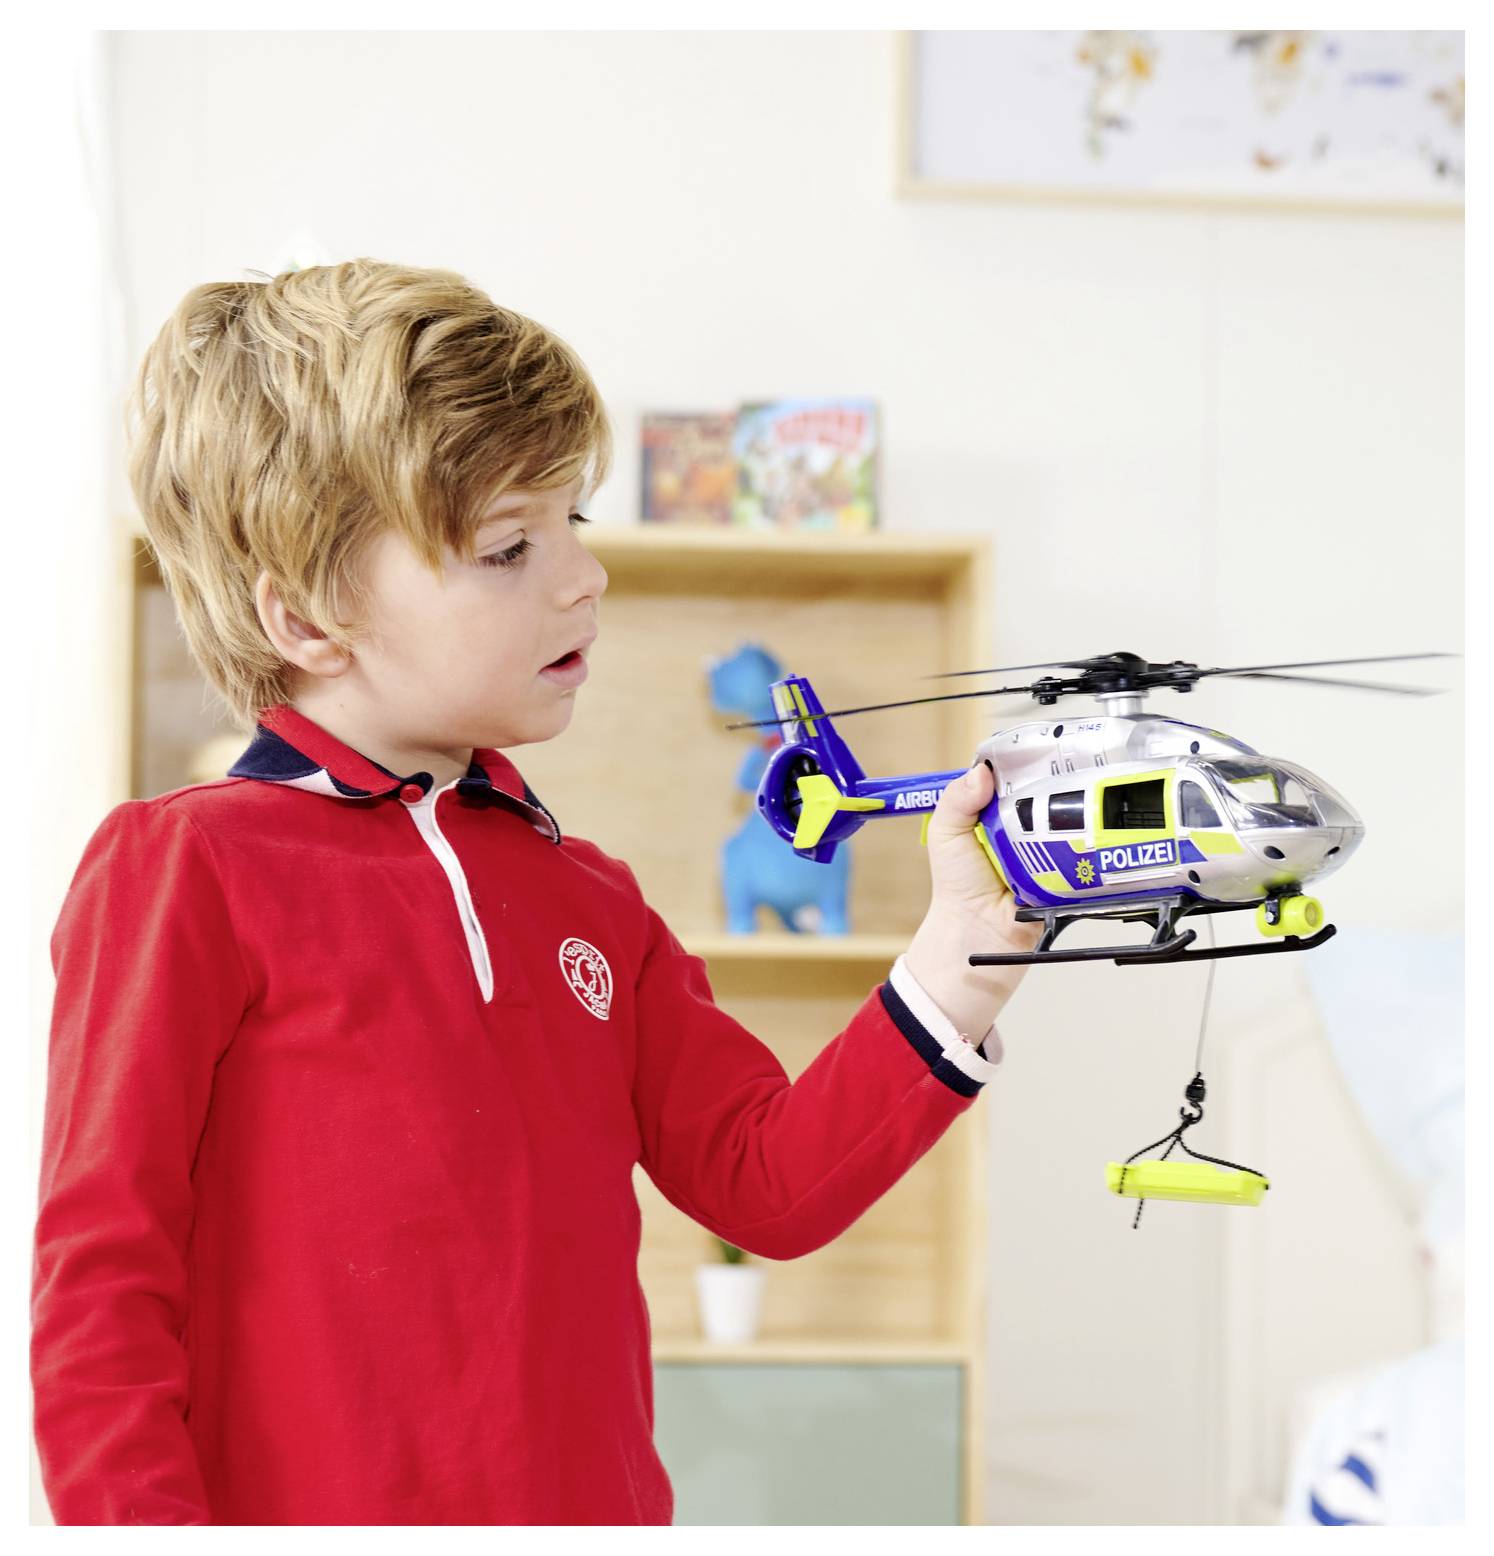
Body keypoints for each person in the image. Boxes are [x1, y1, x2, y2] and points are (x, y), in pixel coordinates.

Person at [30, 258, 1042, 1525]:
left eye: (578, 524)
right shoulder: (186, 866)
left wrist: (964, 950)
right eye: (511, 545)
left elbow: (765, 1183)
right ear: (307, 618)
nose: (581, 577)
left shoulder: (595, 900)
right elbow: (102, 1292)